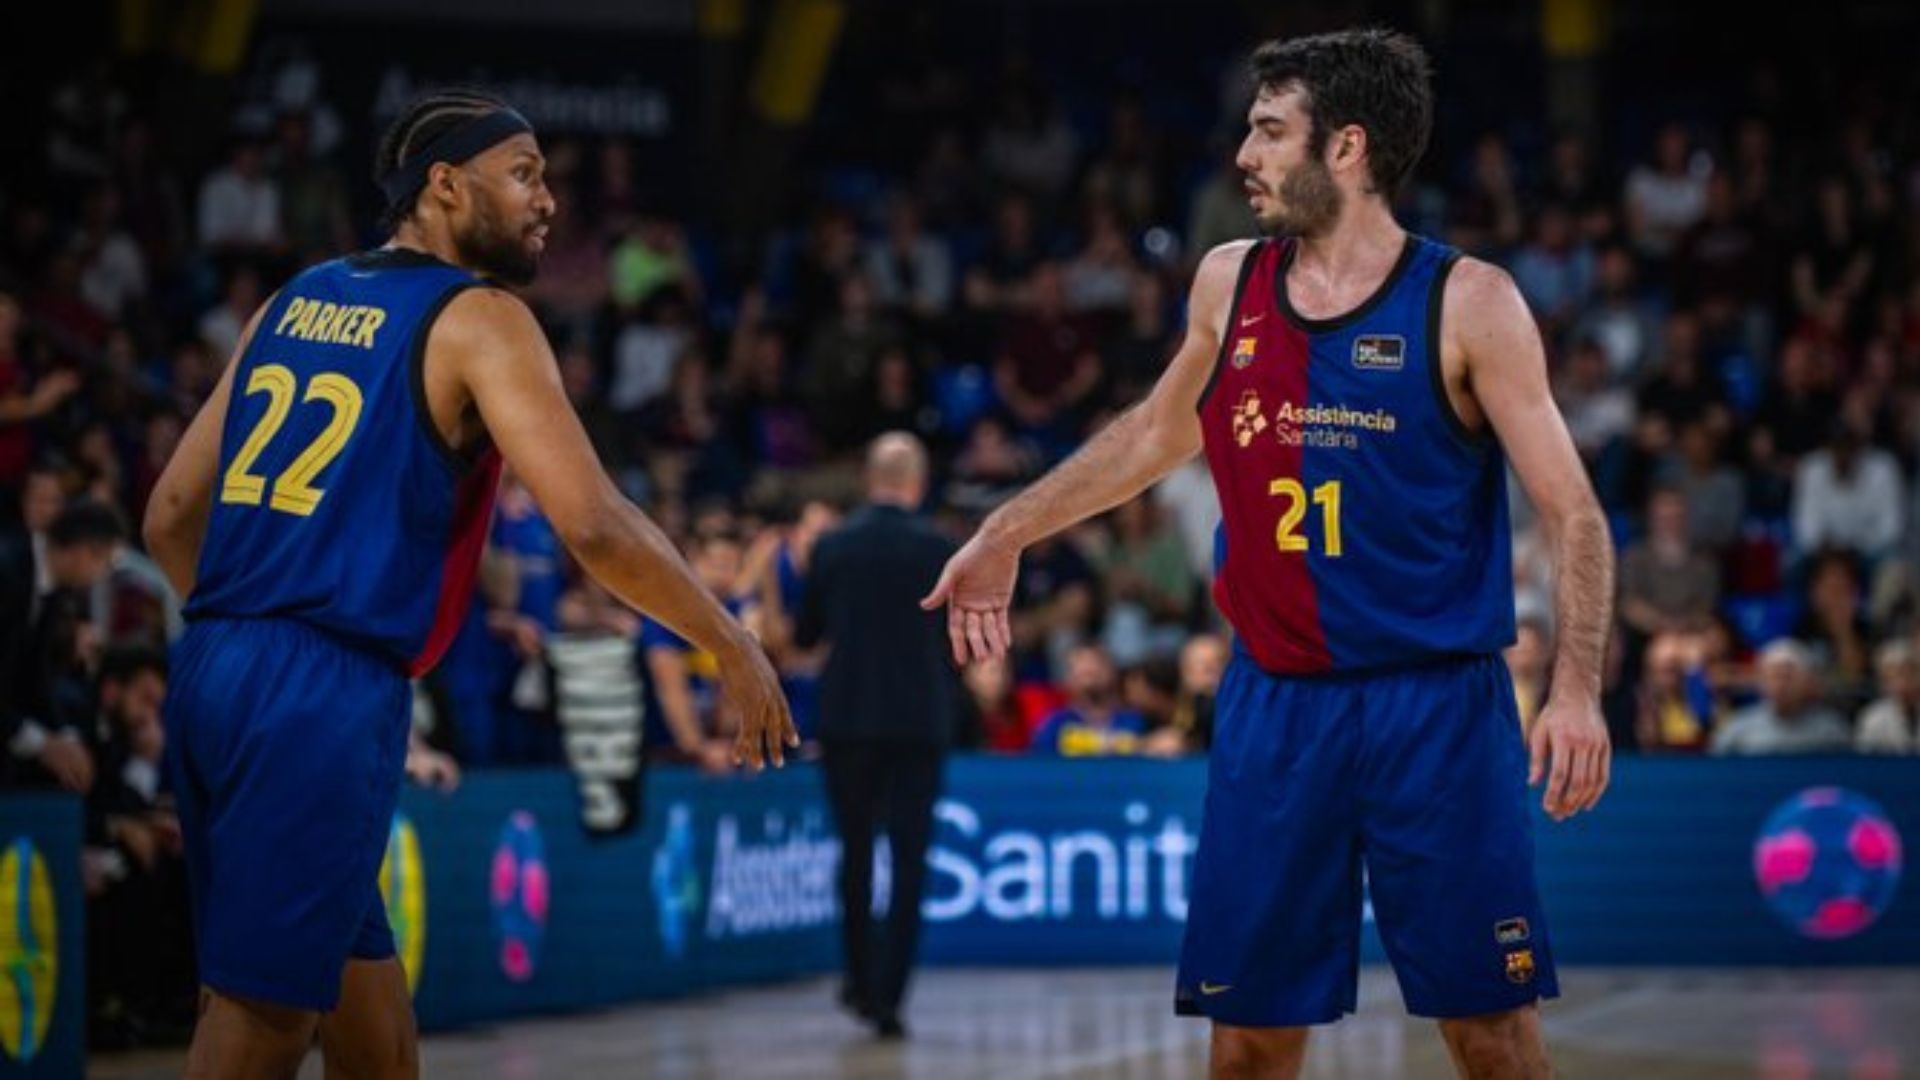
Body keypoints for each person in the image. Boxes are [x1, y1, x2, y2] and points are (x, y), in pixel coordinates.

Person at [923, 31, 1613, 1079]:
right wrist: (1006, 529)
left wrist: (1575, 689)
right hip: (1276, 703)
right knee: (1246, 1043)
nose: (1244, 155)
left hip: (1435, 706)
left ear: (1347, 147)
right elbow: (1153, 434)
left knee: (1490, 1036)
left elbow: (1576, 514)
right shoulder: (1227, 280)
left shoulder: (1470, 301)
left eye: (1269, 131)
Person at [142, 89, 794, 1079]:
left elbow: (168, 514)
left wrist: (250, 643)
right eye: (524, 174)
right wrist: (729, 641)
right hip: (319, 683)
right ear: (445, 186)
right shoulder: (479, 317)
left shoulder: (294, 298)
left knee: (372, 1022)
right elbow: (594, 524)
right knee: (263, 1021)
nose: (549, 201)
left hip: (216, 661)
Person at [795, 432, 958, 1040]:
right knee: (910, 859)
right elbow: (954, 640)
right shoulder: (939, 547)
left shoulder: (833, 545)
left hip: (849, 716)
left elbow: (808, 634)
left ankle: (859, 979)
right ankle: (889, 996)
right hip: (918, 718)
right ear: (918, 482)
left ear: (869, 479)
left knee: (856, 852)